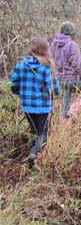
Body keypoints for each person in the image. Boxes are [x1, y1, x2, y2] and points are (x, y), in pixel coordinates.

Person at [9, 37, 60, 166]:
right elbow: (54, 90)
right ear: (45, 50)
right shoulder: (46, 68)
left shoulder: (21, 65)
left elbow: (11, 83)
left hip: (27, 106)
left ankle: (33, 163)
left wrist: (20, 92)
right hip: (43, 107)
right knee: (44, 133)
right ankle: (34, 153)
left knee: (35, 132)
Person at [50, 21, 81, 120]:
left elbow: (50, 61)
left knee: (65, 104)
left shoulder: (53, 43)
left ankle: (63, 129)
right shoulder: (72, 44)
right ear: (73, 33)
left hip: (58, 80)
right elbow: (77, 65)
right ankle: (74, 109)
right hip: (70, 79)